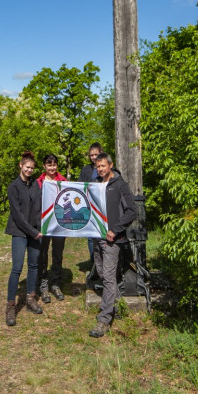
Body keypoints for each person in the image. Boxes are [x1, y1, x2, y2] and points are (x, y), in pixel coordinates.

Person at [89, 152, 137, 338]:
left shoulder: (120, 185)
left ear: (110, 165)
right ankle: (115, 302)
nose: (100, 169)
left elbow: (132, 211)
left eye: (103, 166)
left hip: (112, 240)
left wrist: (115, 229)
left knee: (108, 277)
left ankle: (104, 319)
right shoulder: (95, 186)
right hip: (97, 237)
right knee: (101, 272)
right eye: (97, 167)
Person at [5, 151, 43, 326]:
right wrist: (33, 232)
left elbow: (41, 206)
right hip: (20, 231)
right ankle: (11, 304)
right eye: (27, 167)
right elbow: (18, 215)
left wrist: (41, 227)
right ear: (21, 166)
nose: (29, 170)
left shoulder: (36, 184)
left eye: (32, 168)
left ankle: (30, 297)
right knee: (17, 267)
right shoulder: (13, 187)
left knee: (34, 265)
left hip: (35, 231)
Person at [36, 154, 68, 303]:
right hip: (44, 224)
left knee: (57, 253)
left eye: (54, 164)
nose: (52, 167)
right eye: (49, 165)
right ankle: (43, 286)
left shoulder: (63, 181)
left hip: (60, 223)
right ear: (44, 166)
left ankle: (55, 283)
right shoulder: (38, 182)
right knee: (42, 254)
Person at [79, 143, 103, 262]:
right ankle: (94, 263)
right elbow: (79, 186)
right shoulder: (86, 170)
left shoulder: (105, 168)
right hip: (89, 208)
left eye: (96, 154)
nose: (93, 157)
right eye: (91, 155)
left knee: (102, 236)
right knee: (90, 237)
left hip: (103, 208)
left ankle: (104, 263)